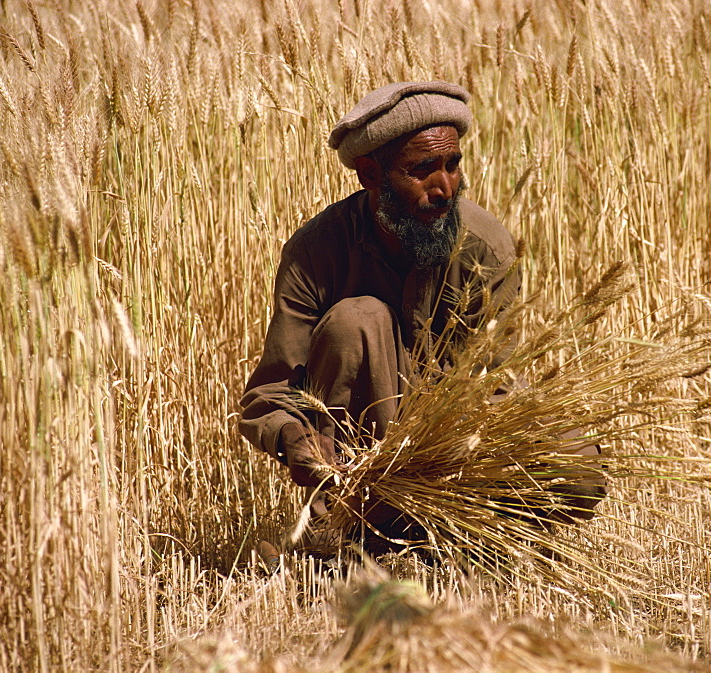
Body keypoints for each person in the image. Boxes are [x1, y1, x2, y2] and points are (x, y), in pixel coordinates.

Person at [238, 82, 602, 561]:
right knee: (357, 320)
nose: (445, 187)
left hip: (456, 449)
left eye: (452, 164)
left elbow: (497, 386)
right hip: (362, 465)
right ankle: (348, 535)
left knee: (578, 467)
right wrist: (295, 439)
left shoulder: (485, 247)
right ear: (371, 174)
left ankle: (458, 534)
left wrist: (449, 460)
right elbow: (270, 394)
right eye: (421, 170)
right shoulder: (314, 253)